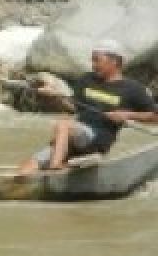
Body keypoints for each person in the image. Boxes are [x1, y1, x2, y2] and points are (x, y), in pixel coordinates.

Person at [16, 40, 157, 176]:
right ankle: (42, 172)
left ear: (114, 61)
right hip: (72, 137)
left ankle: (55, 167)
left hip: (97, 140)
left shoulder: (133, 89)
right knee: (27, 166)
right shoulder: (87, 79)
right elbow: (72, 107)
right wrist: (55, 96)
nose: (93, 65)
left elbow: (154, 117)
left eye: (97, 60)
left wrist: (127, 115)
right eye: (92, 60)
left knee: (64, 124)